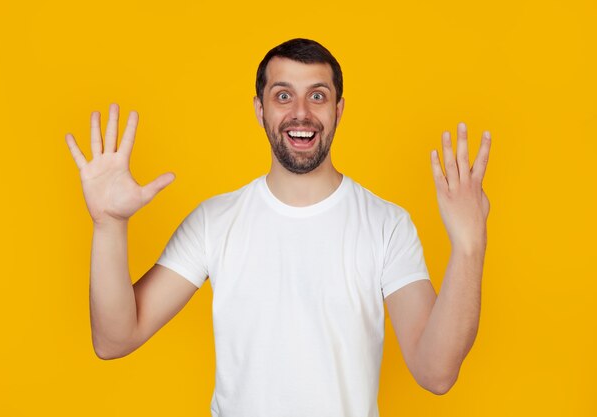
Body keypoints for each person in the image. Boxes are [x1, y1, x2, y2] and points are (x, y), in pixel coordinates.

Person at [65, 38, 491, 417]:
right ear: (260, 108)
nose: (300, 113)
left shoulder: (387, 225)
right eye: (283, 95)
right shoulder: (215, 221)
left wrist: (469, 246)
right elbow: (114, 340)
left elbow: (436, 373)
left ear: (339, 109)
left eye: (318, 96)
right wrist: (109, 226)